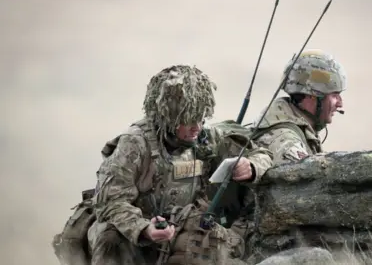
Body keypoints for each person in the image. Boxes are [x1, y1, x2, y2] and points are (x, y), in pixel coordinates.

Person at [52, 64, 273, 265]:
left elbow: (262, 153)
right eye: (188, 120)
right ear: (167, 117)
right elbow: (111, 200)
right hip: (132, 230)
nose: (197, 127)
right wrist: (144, 229)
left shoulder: (204, 138)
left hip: (176, 228)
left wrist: (251, 166)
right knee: (110, 238)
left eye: (201, 118)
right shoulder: (135, 144)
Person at [250, 48, 346, 170]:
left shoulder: (298, 126)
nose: (340, 104)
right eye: (334, 95)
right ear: (312, 96)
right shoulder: (285, 140)